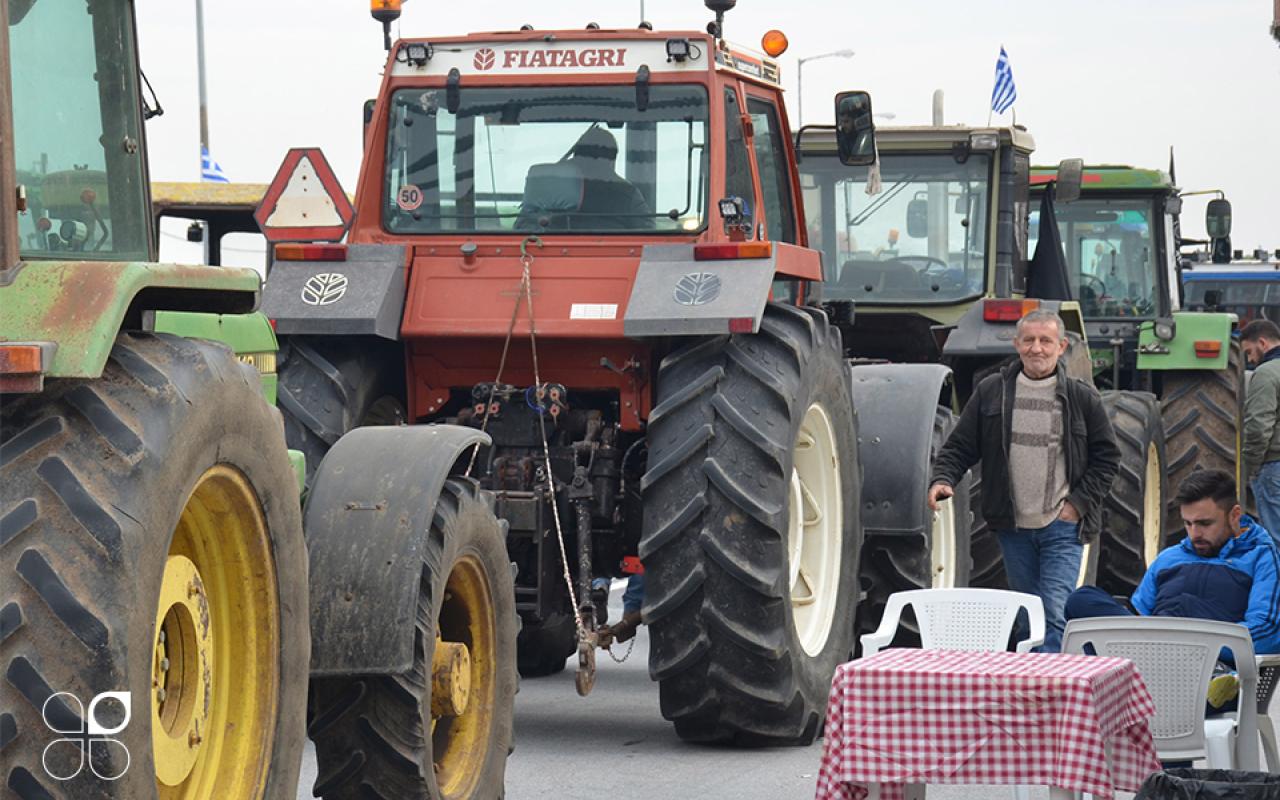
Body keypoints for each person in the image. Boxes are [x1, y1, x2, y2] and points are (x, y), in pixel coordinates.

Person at [929, 309, 1120, 652]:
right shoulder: (992, 392)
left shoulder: (1081, 398)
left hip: (1062, 526)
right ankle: (1029, 684)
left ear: (1061, 346)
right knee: (1025, 614)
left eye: (1045, 341)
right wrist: (943, 478)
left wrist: (1077, 505)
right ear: (1016, 344)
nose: (1037, 349)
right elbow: (960, 446)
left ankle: (1051, 691)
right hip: (1013, 526)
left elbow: (1108, 459)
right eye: (1029, 340)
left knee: (1054, 609)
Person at [1064, 469, 1280, 706]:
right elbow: (1137, 618)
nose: (1195, 533)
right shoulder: (1169, 558)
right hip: (1152, 659)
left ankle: (1201, 673)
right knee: (1081, 599)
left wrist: (1197, 644)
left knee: (1213, 683)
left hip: (1210, 671)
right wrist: (1161, 644)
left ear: (1234, 515)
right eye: (1188, 523)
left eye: (1205, 523)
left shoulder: (1261, 557)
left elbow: (1267, 632)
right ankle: (1155, 671)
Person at [517, 126, 652, 231]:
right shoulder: (627, 194)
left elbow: (521, 231)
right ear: (611, 163)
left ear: (575, 158)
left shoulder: (544, 188)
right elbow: (650, 237)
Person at [1242, 319, 1280, 547]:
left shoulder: (1266, 374)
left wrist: (1251, 467)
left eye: (1249, 352)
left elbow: (1258, 426)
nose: (1250, 360)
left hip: (1273, 465)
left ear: (1263, 343)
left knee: (1276, 539)